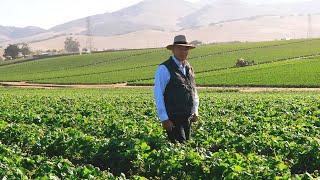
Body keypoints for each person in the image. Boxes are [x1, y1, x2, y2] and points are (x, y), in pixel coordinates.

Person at [154, 35, 199, 143]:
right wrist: (164, 118)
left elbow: (193, 91)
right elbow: (158, 94)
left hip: (187, 117)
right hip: (173, 118)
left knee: (186, 145)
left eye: (185, 49)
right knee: (179, 147)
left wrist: (195, 110)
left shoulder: (189, 68)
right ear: (173, 50)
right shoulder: (164, 68)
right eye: (179, 49)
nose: (183, 52)